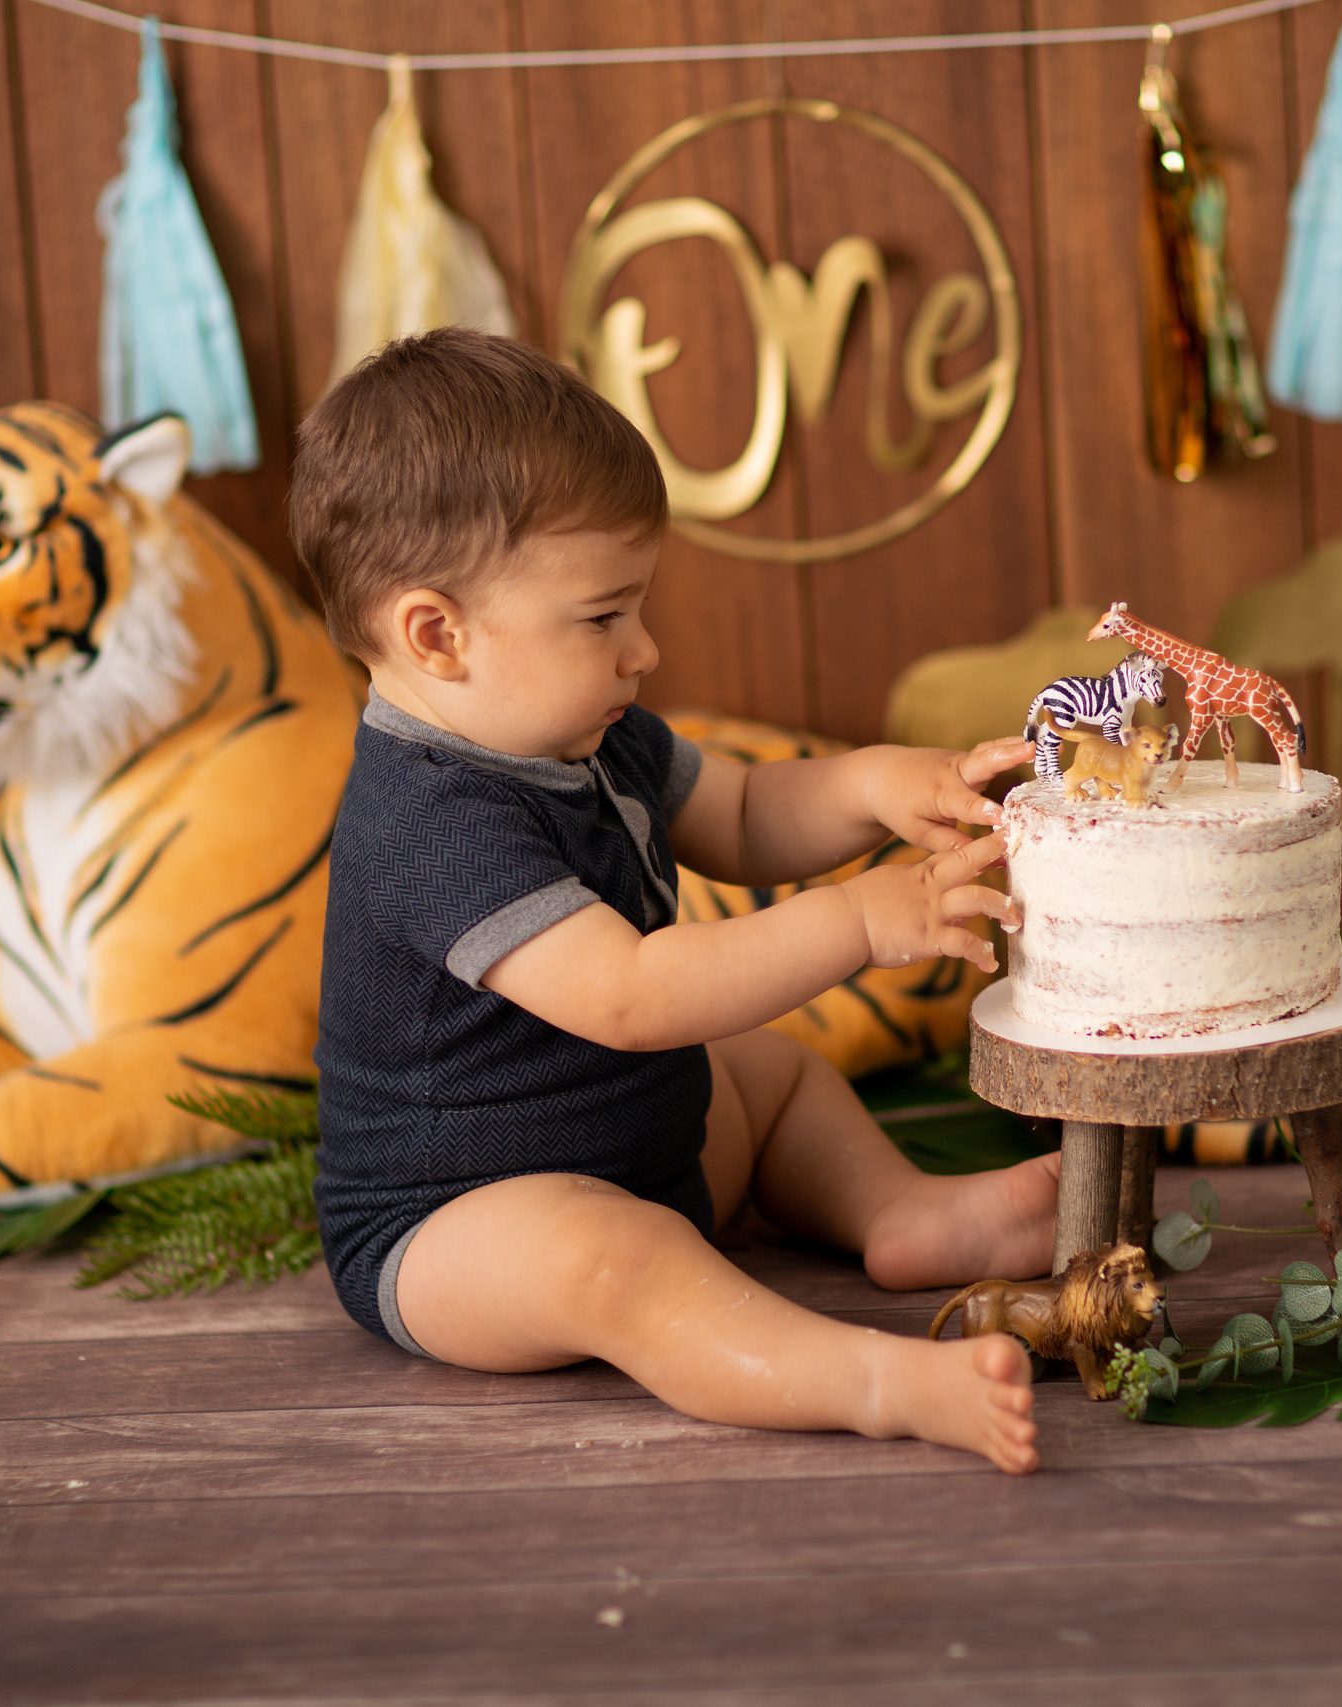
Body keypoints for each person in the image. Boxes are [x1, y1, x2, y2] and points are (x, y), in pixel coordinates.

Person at [292, 327, 1058, 1475]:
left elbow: (744, 818)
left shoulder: (575, 731)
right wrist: (857, 922)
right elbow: (633, 999)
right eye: (604, 618)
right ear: (435, 635)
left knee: (775, 1069)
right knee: (617, 1266)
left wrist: (875, 782)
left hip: (651, 1142)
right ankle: (875, 1380)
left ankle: (899, 1216)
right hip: (457, 1228)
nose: (644, 649)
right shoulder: (426, 820)